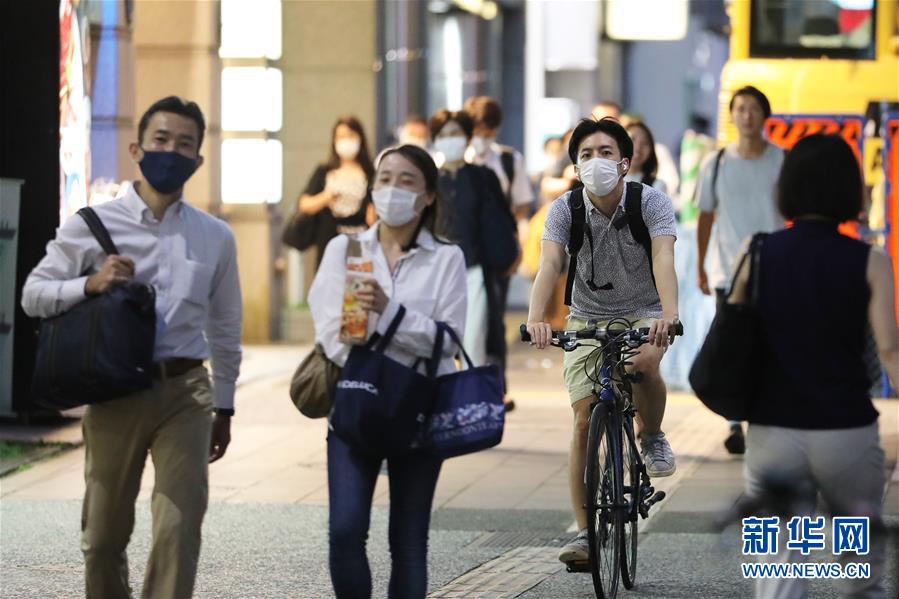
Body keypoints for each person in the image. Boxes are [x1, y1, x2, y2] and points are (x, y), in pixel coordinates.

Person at [22, 96, 242, 598]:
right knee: (102, 538)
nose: (171, 151)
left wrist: (225, 406)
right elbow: (33, 294)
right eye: (161, 140)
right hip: (113, 391)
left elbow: (226, 327)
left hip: (185, 392)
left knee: (178, 530)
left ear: (198, 160)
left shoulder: (215, 237)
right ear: (136, 149)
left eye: (184, 144)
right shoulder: (92, 224)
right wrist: (90, 283)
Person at [735, 133, 897, 599]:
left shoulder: (756, 251)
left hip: (772, 432)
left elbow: (736, 335)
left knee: (777, 572)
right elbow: (890, 351)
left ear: (786, 186)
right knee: (858, 567)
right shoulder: (872, 260)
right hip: (846, 434)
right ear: (850, 189)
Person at [308, 144, 467, 599]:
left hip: (420, 407)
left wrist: (387, 314)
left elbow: (448, 340)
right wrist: (382, 355)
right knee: (344, 531)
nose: (392, 189)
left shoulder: (446, 258)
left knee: (408, 542)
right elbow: (329, 330)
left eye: (406, 180)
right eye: (385, 179)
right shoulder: (345, 249)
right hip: (356, 399)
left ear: (428, 196)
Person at [525, 117, 680, 565]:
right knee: (582, 420)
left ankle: (651, 435)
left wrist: (669, 316)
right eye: (587, 155)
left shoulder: (651, 202)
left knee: (643, 365)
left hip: (645, 311)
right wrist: (536, 319)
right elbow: (550, 264)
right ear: (576, 167)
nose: (597, 161)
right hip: (586, 317)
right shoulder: (564, 209)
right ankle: (585, 535)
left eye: (606, 152)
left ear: (625, 162)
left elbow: (663, 256)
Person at [695, 85, 785, 455]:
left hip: (774, 269)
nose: (747, 115)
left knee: (769, 346)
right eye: (740, 108)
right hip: (728, 272)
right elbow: (705, 215)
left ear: (765, 115)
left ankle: (761, 416)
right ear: (732, 115)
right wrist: (701, 265)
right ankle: (734, 421)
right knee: (732, 348)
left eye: (753, 109)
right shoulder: (716, 163)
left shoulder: (782, 159)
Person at [463, 95, 531, 410]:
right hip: (461, 251)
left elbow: (520, 207)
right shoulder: (449, 161)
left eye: (488, 130)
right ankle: (461, 383)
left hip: (495, 252)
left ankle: (494, 388)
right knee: (460, 320)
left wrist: (516, 248)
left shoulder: (507, 160)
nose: (482, 136)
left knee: (492, 321)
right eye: (477, 129)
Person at [429, 108, 509, 367]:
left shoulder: (483, 177)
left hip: (474, 268)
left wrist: (507, 257)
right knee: (435, 342)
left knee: (474, 343)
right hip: (435, 271)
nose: (450, 140)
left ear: (467, 137)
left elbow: (500, 220)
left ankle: (469, 389)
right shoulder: (429, 179)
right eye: (443, 135)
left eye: (455, 133)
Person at [297, 115, 375, 269]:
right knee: (330, 281)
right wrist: (326, 197)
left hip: (360, 244)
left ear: (360, 138)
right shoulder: (324, 171)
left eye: (350, 135)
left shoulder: (371, 172)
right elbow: (304, 204)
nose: (346, 141)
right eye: (341, 137)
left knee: (358, 283)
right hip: (329, 241)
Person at [624, 119, 668, 195]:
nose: (637, 148)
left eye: (645, 143)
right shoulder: (606, 181)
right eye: (632, 139)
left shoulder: (656, 186)